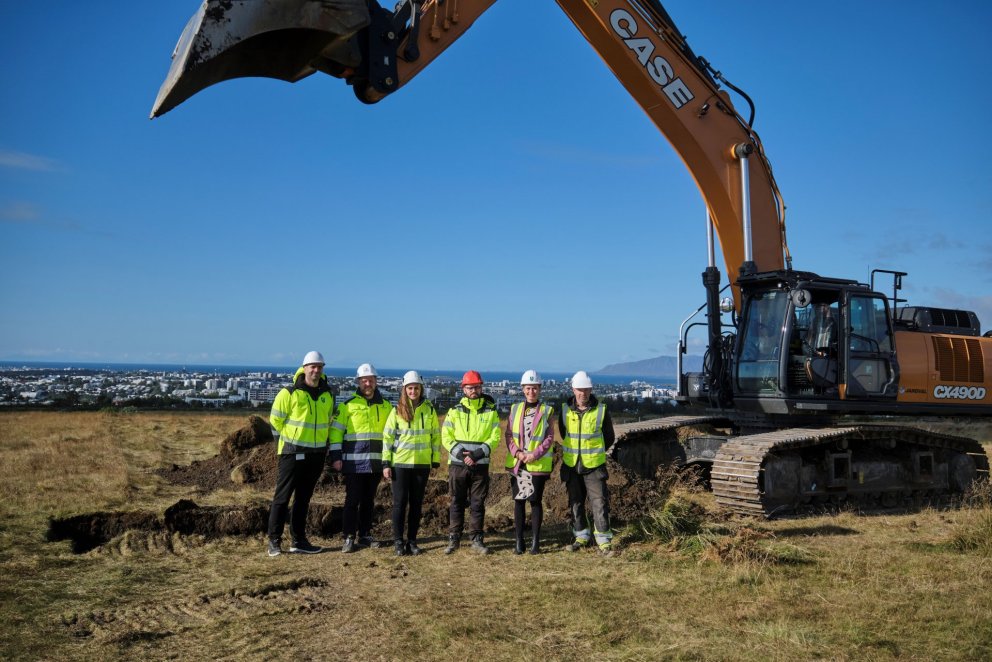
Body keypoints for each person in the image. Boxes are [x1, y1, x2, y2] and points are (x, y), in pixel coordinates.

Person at [266, 351, 335, 556]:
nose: (316, 370)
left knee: (303, 499)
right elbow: (275, 422)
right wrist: (283, 444)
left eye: (319, 367)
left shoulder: (327, 394)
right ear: (304, 368)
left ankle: (299, 540)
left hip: (316, 454)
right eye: (312, 366)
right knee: (282, 498)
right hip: (292, 453)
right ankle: (274, 541)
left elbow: (329, 422)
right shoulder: (289, 393)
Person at [330, 363, 393, 553]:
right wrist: (336, 456)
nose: (368, 383)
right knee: (352, 501)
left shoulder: (386, 406)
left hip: (375, 464)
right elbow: (335, 434)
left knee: (368, 501)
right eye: (364, 380)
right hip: (354, 463)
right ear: (358, 382)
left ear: (376, 382)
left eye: (371, 380)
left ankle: (365, 535)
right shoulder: (348, 406)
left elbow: (391, 435)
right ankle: (349, 537)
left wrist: (387, 462)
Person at [441, 370, 500, 555]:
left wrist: (477, 454)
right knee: (456, 502)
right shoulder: (454, 411)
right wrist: (461, 454)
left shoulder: (491, 412)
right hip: (458, 465)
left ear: (481, 387)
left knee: (477, 503)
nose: (473, 390)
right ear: (464, 389)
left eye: (476, 386)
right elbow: (446, 436)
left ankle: (476, 539)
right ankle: (454, 539)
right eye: (470, 387)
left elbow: (495, 436)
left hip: (480, 465)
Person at [382, 370, 440, 556]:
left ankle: (412, 541)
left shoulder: (429, 410)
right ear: (404, 390)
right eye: (410, 388)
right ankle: (398, 542)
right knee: (399, 504)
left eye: (416, 388)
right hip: (400, 464)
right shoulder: (396, 411)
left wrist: (435, 461)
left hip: (421, 465)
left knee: (416, 504)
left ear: (421, 389)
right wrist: (386, 463)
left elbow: (435, 437)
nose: (413, 391)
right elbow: (388, 438)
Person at [558, 370, 616, 556]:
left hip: (594, 466)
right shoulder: (565, 410)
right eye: (579, 390)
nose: (583, 393)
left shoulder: (601, 410)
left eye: (586, 390)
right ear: (573, 389)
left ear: (591, 390)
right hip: (572, 465)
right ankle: (581, 536)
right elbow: (563, 432)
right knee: (575, 502)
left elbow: (609, 437)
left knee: (599, 503)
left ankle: (603, 541)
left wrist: (594, 453)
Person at [504, 370, 555, 555]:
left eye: (534, 388)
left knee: (535, 502)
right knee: (519, 501)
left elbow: (549, 438)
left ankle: (535, 542)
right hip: (519, 464)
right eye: (528, 388)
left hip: (536, 464)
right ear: (523, 389)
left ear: (539, 389)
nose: (531, 391)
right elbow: (508, 434)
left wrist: (534, 454)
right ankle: (519, 541)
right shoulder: (515, 409)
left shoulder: (547, 411)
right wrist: (517, 453)